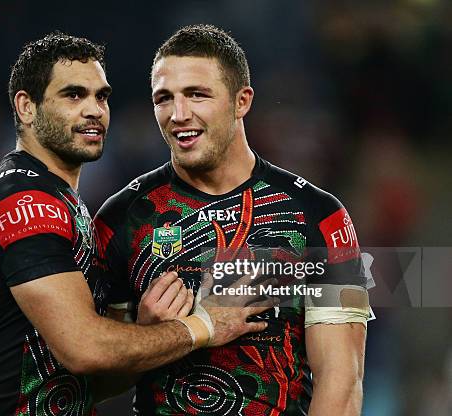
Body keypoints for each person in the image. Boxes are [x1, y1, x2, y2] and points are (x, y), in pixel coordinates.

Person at [0, 31, 272, 416]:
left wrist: (148, 333)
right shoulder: (24, 199)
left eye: (102, 96)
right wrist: (204, 326)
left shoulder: (65, 203)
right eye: (73, 95)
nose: (94, 109)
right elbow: (85, 349)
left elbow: (92, 382)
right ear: (27, 107)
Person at [95, 24, 371, 415]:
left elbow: (342, 381)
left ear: (242, 101)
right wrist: (144, 336)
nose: (178, 114)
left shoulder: (321, 218)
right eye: (164, 98)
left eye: (197, 95)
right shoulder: (121, 220)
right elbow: (97, 382)